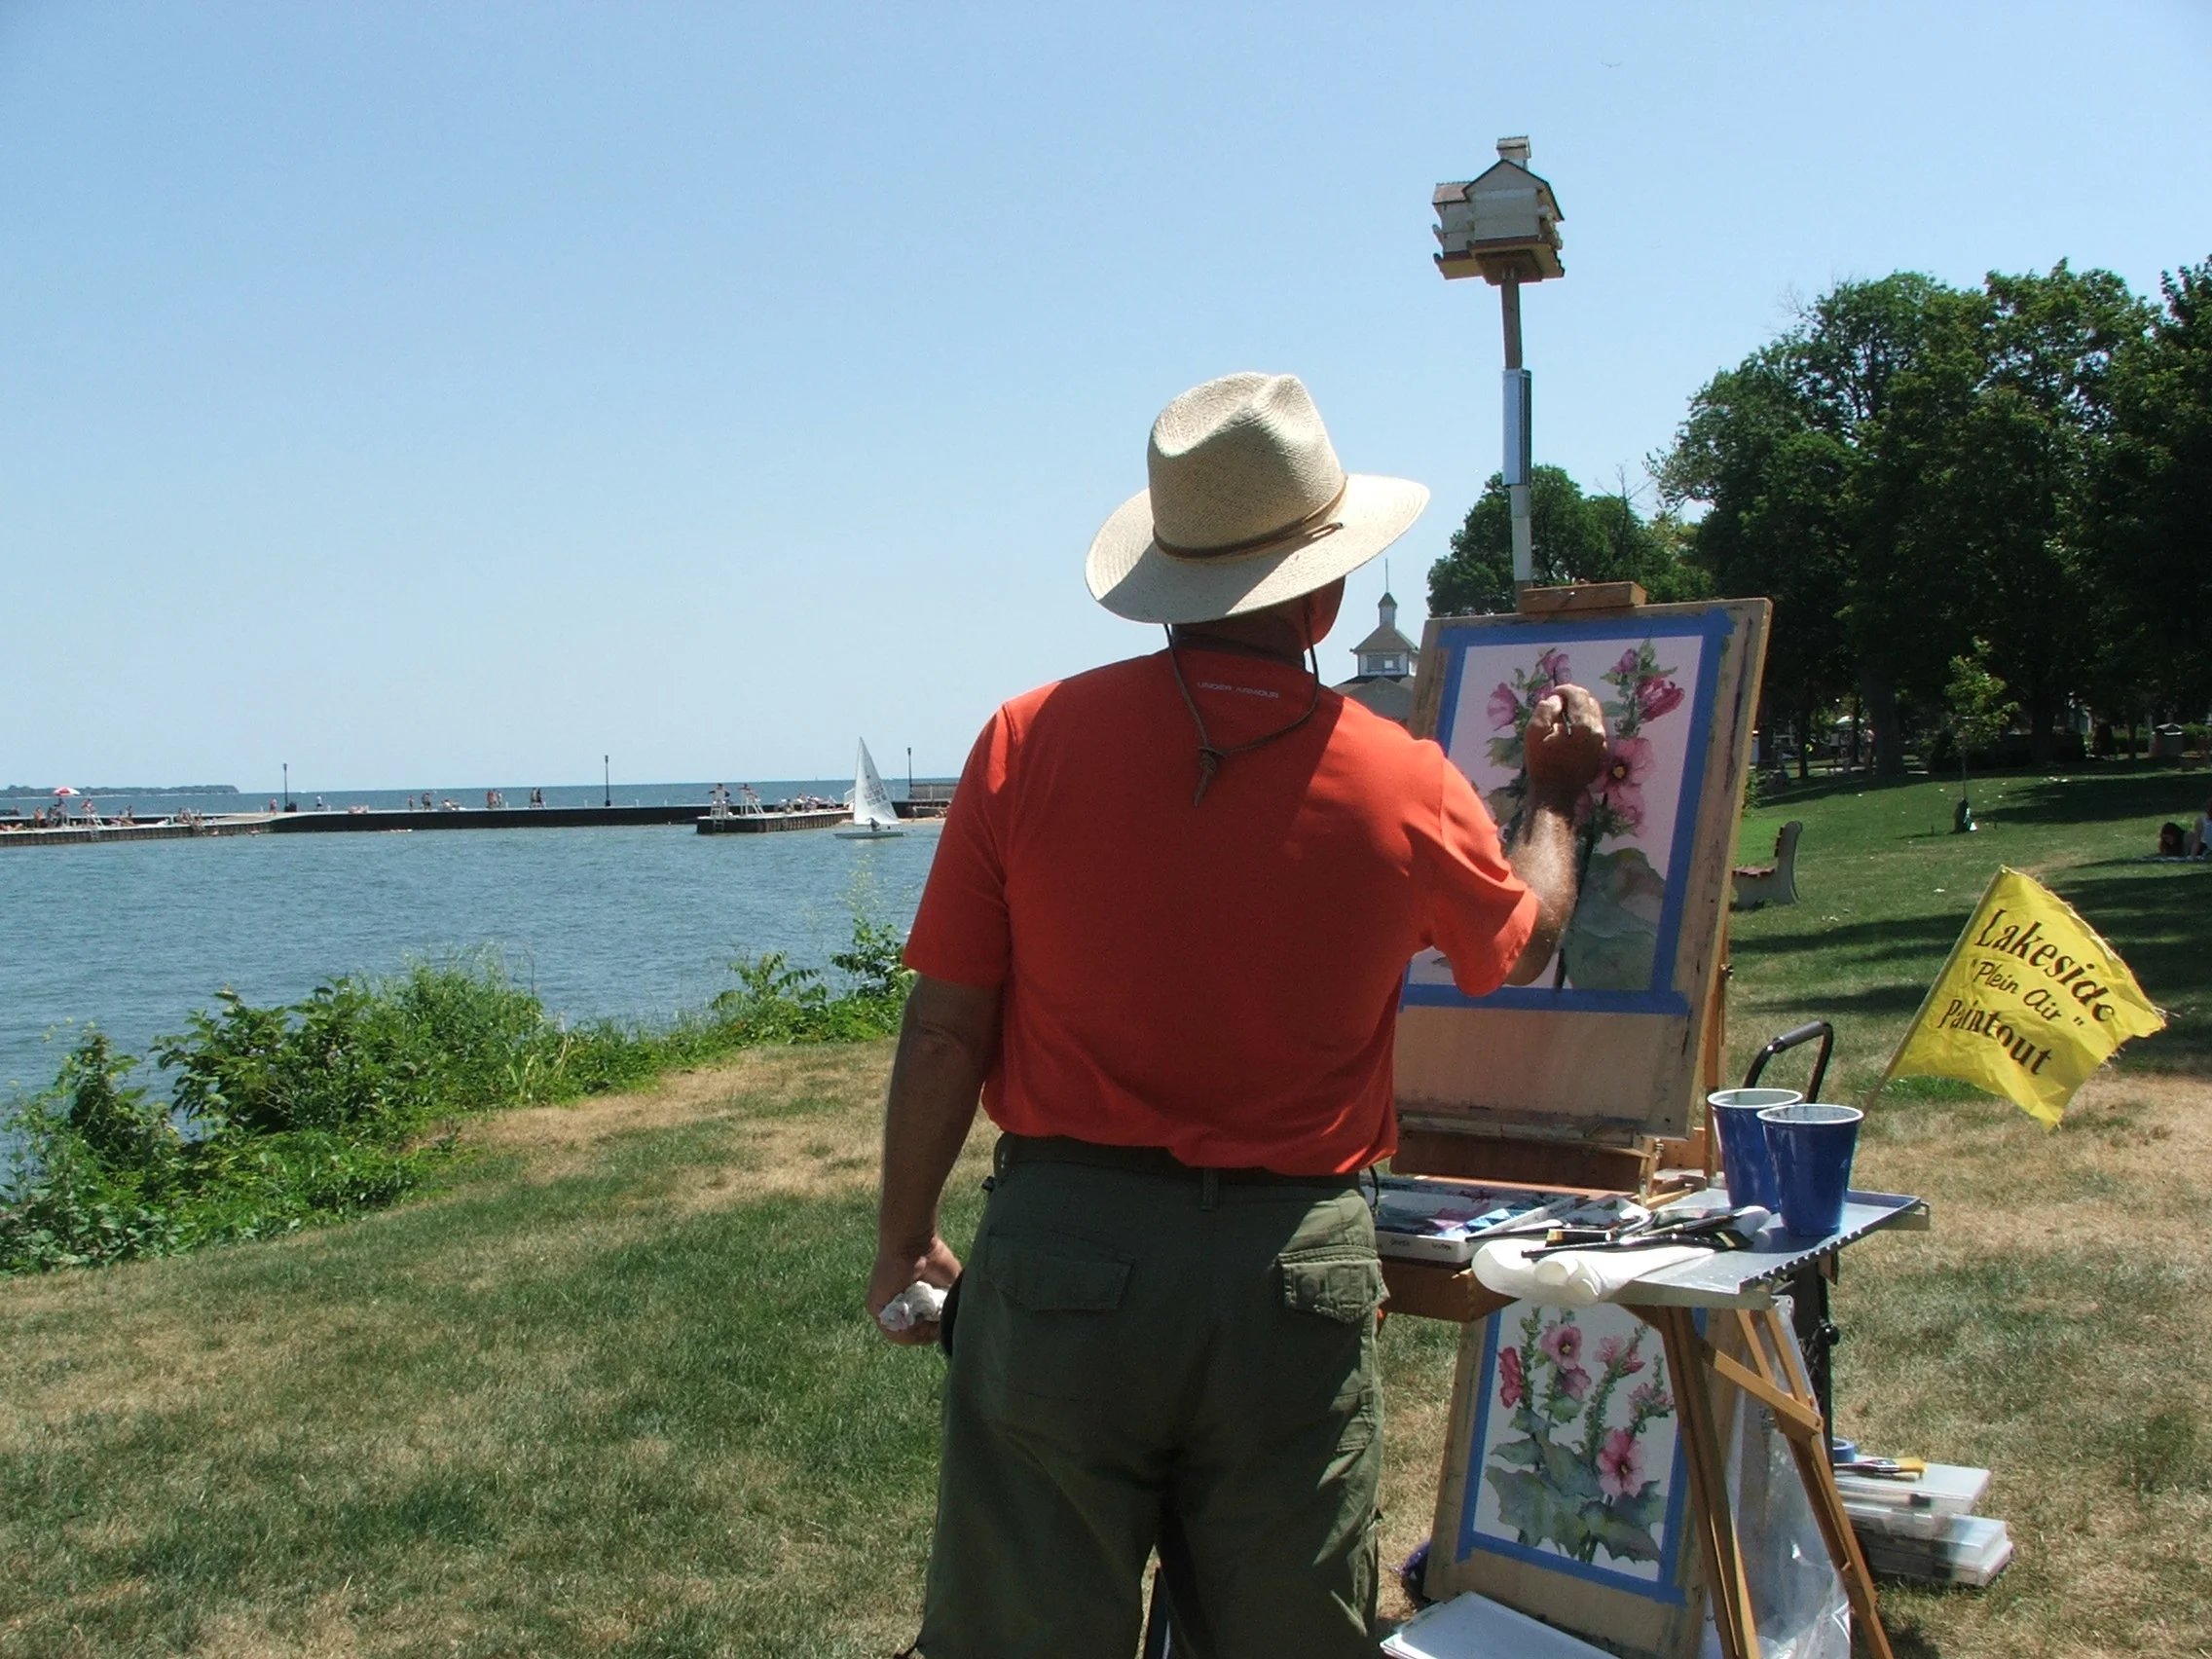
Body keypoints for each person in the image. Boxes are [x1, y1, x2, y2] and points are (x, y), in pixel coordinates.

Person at [869, 372, 1610, 1657]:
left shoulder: (1024, 743)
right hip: (1290, 1272)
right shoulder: (1403, 781)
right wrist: (1555, 796)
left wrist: (903, 1236)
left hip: (1063, 1249)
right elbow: (1525, 940)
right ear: (1325, 597)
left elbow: (945, 1030)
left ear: (1170, 583)